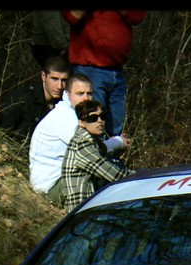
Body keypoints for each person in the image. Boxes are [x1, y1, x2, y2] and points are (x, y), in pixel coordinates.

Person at [29, 72, 130, 206]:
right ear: (67, 94)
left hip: (60, 180)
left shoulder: (75, 114)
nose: (85, 98)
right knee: (104, 173)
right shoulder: (65, 118)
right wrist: (118, 142)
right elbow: (95, 150)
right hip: (51, 188)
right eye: (80, 93)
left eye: (89, 93)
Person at [62, 10, 147, 138]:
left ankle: (113, 156)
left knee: (117, 130)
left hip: (117, 70)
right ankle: (94, 156)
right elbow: (72, 17)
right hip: (89, 69)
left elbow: (137, 17)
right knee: (92, 124)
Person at [61, 100, 133, 213]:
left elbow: (105, 154)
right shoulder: (81, 144)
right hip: (81, 212)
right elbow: (114, 174)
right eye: (92, 118)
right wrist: (141, 177)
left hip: (89, 208)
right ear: (81, 122)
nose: (99, 121)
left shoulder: (92, 141)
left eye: (102, 116)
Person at [0, 55, 71, 141]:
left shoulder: (65, 104)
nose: (59, 86)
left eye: (64, 80)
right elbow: (1, 133)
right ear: (43, 76)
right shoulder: (22, 99)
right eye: (54, 79)